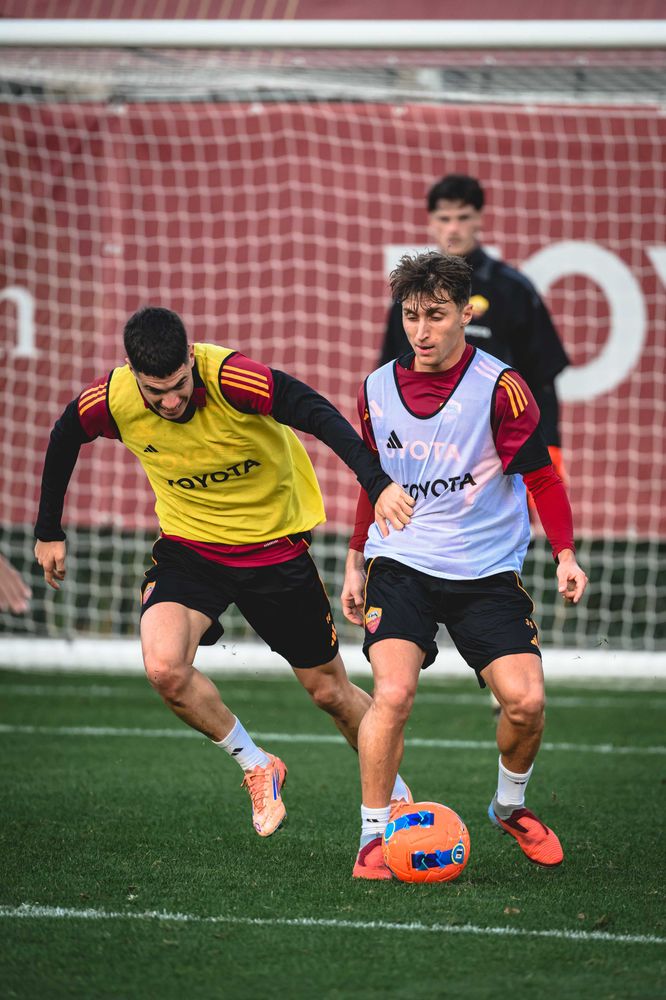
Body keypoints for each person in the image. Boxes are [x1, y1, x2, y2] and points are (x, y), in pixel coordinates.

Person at [34, 307, 415, 838]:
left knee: (330, 692)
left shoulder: (233, 378)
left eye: (178, 386)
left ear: (191, 359)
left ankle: (397, 798)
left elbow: (317, 412)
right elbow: (63, 434)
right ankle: (258, 765)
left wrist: (375, 482)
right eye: (154, 391)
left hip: (274, 551)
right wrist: (48, 527)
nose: (169, 402)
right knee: (164, 668)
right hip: (190, 551)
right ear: (131, 373)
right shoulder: (114, 398)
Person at [342, 252, 587, 879]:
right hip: (402, 563)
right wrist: (352, 557)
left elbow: (541, 478)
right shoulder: (375, 389)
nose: (420, 331)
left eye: (435, 315)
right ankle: (373, 840)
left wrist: (565, 553)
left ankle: (509, 807)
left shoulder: (501, 387)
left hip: (485, 573)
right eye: (410, 315)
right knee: (391, 693)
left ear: (464, 315)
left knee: (527, 704)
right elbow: (371, 482)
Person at [379, 173, 569, 483]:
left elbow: (543, 376)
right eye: (444, 218)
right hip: (426, 443)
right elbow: (390, 371)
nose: (453, 228)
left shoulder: (511, 290)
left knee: (504, 528)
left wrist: (550, 444)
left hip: (497, 442)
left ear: (480, 218)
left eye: (463, 217)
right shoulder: (411, 293)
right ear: (431, 222)